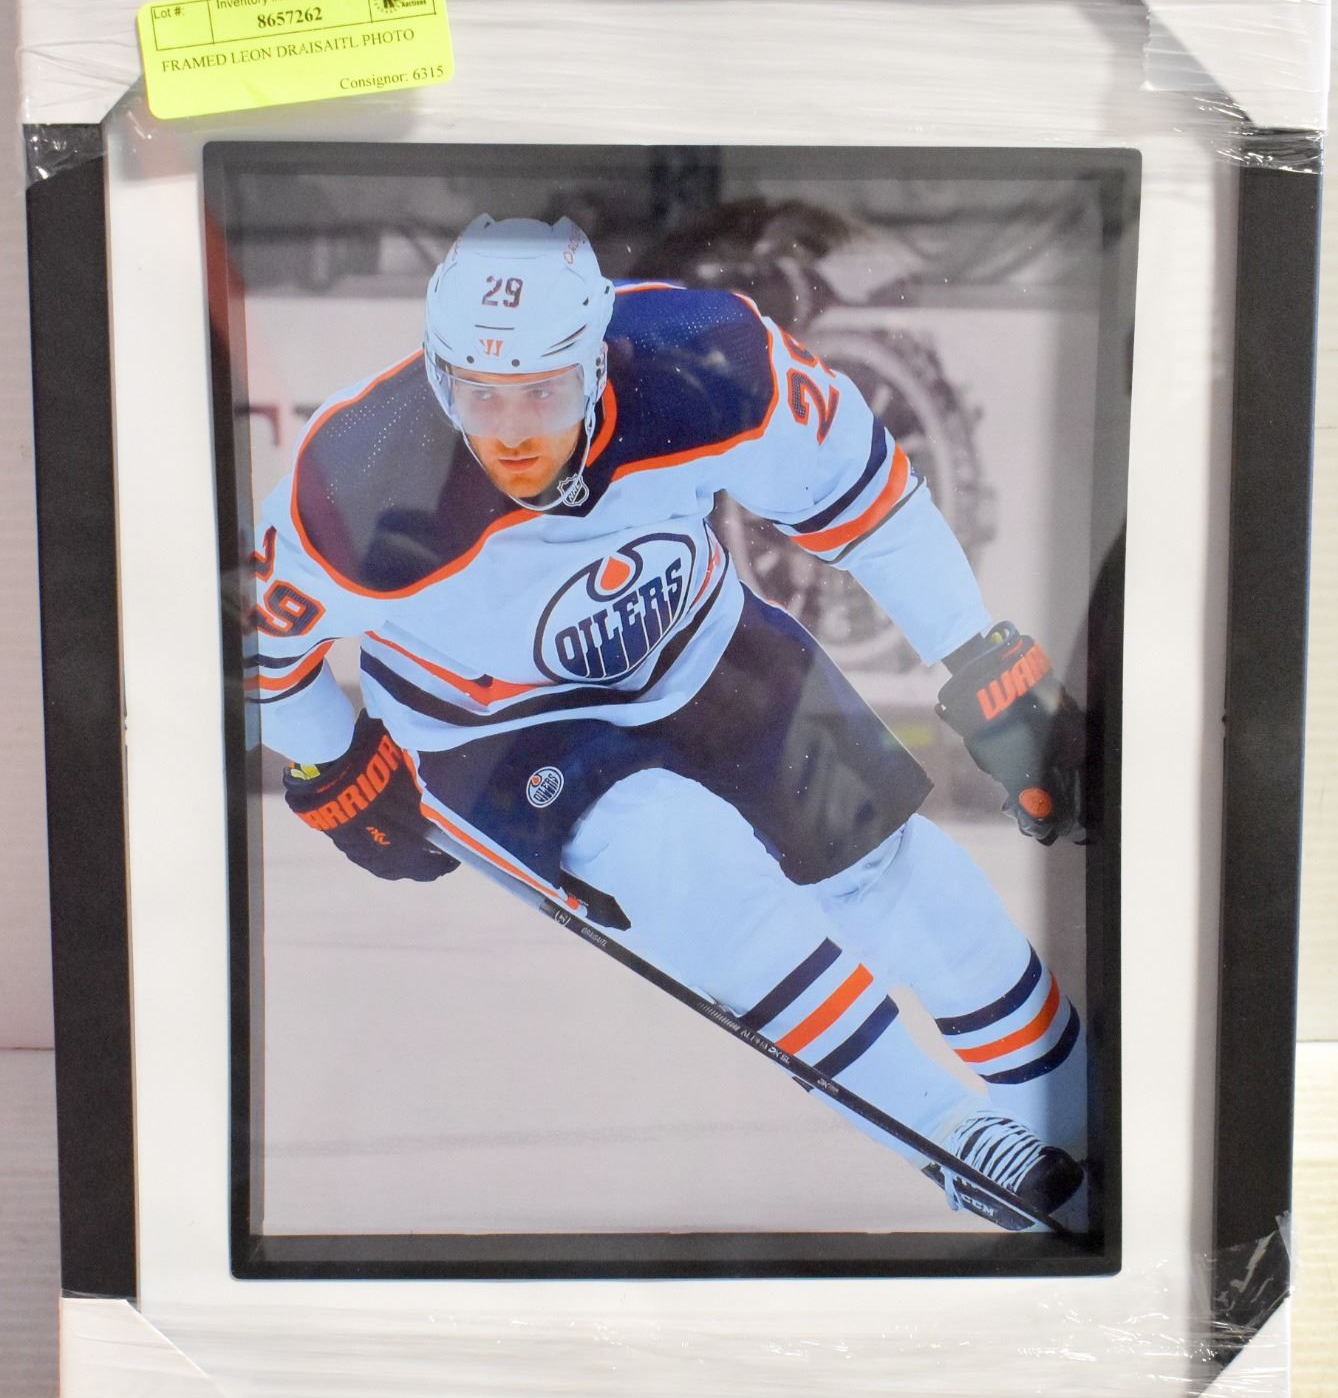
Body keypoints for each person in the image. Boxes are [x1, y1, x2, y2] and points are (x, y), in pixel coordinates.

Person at [248, 213, 1089, 1230]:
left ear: (598, 361)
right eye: (479, 393)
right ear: (438, 374)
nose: (510, 432)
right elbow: (259, 651)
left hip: (698, 641)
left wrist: (985, 663)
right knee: (685, 859)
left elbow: (866, 497)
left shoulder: (708, 355)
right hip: (489, 729)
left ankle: (1079, 1109)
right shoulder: (359, 474)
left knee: (892, 871)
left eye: (543, 391)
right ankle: (952, 1132)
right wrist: (334, 764)